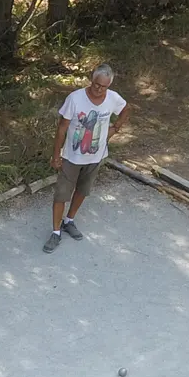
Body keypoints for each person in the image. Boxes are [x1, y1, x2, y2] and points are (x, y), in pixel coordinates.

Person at [46, 63, 131, 254]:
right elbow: (61, 129)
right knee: (61, 194)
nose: (99, 89)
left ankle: (69, 220)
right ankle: (55, 231)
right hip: (72, 156)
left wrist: (115, 128)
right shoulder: (75, 98)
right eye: (96, 84)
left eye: (103, 86)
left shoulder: (113, 98)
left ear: (108, 85)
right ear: (91, 80)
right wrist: (56, 155)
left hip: (96, 155)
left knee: (83, 190)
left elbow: (126, 109)